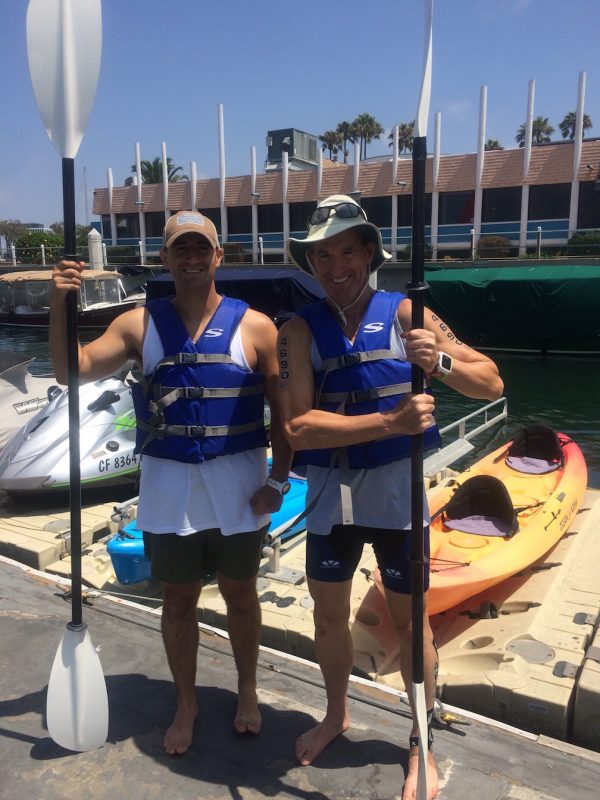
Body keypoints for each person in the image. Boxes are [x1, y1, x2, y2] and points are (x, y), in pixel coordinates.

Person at [278, 195, 503, 800]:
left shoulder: (408, 311)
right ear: (313, 264)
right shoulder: (297, 332)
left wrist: (443, 359)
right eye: (322, 255)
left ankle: (420, 739)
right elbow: (298, 429)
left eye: (347, 250)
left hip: (396, 497)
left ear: (369, 253)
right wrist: (390, 422)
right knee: (328, 616)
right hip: (329, 498)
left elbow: (491, 383)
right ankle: (335, 714)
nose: (335, 265)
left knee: (411, 626)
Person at [50, 211, 292, 756]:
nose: (190, 258)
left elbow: (285, 415)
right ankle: (187, 702)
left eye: (200, 249)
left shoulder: (257, 327)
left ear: (217, 257)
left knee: (240, 594)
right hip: (168, 492)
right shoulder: (139, 324)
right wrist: (60, 303)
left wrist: (278, 482)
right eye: (179, 249)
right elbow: (72, 370)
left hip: (240, 490)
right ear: (165, 259)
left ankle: (247, 690)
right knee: (178, 600)